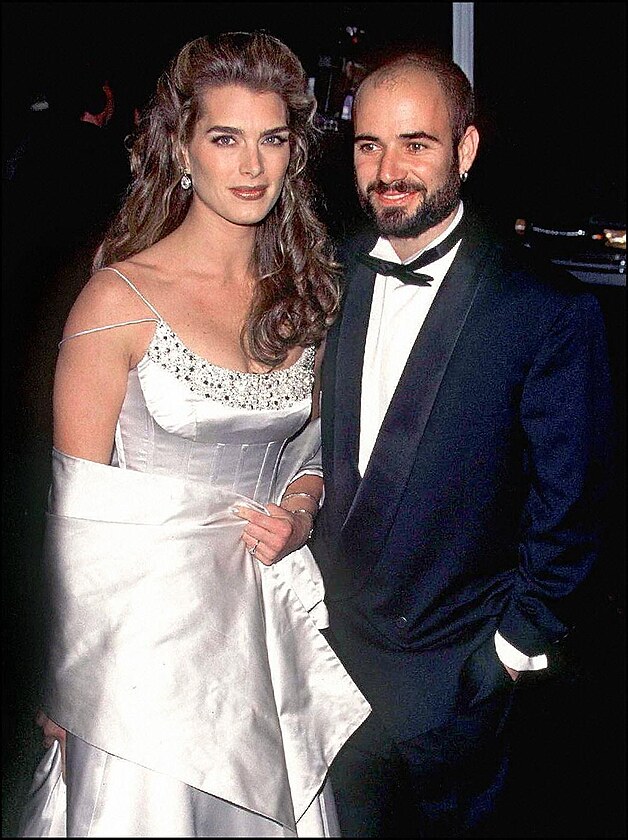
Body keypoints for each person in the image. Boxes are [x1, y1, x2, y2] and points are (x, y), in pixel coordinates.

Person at [17, 31, 371, 838]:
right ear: (181, 148)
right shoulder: (116, 300)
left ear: (293, 154)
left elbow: (314, 446)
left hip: (262, 640)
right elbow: (74, 516)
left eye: (271, 139)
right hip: (140, 656)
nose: (251, 165)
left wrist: (301, 511)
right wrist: (68, 680)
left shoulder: (306, 295)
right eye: (225, 138)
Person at [310, 49, 615, 837]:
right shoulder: (328, 277)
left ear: (466, 148)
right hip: (324, 668)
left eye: (416, 144)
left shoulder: (546, 311)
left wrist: (508, 653)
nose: (389, 171)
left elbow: (573, 508)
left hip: (457, 684)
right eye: (369, 145)